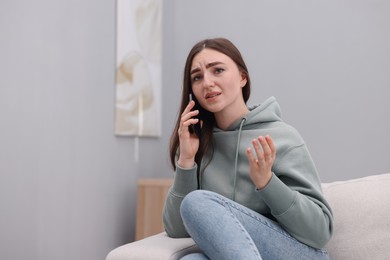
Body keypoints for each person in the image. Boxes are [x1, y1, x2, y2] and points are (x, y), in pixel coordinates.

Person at [163, 37, 333, 260]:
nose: (207, 82)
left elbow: (320, 233)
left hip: (297, 254)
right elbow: (177, 230)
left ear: (243, 77)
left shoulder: (282, 137)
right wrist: (186, 160)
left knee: (196, 201)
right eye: (197, 77)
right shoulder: (196, 144)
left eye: (218, 70)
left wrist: (267, 182)